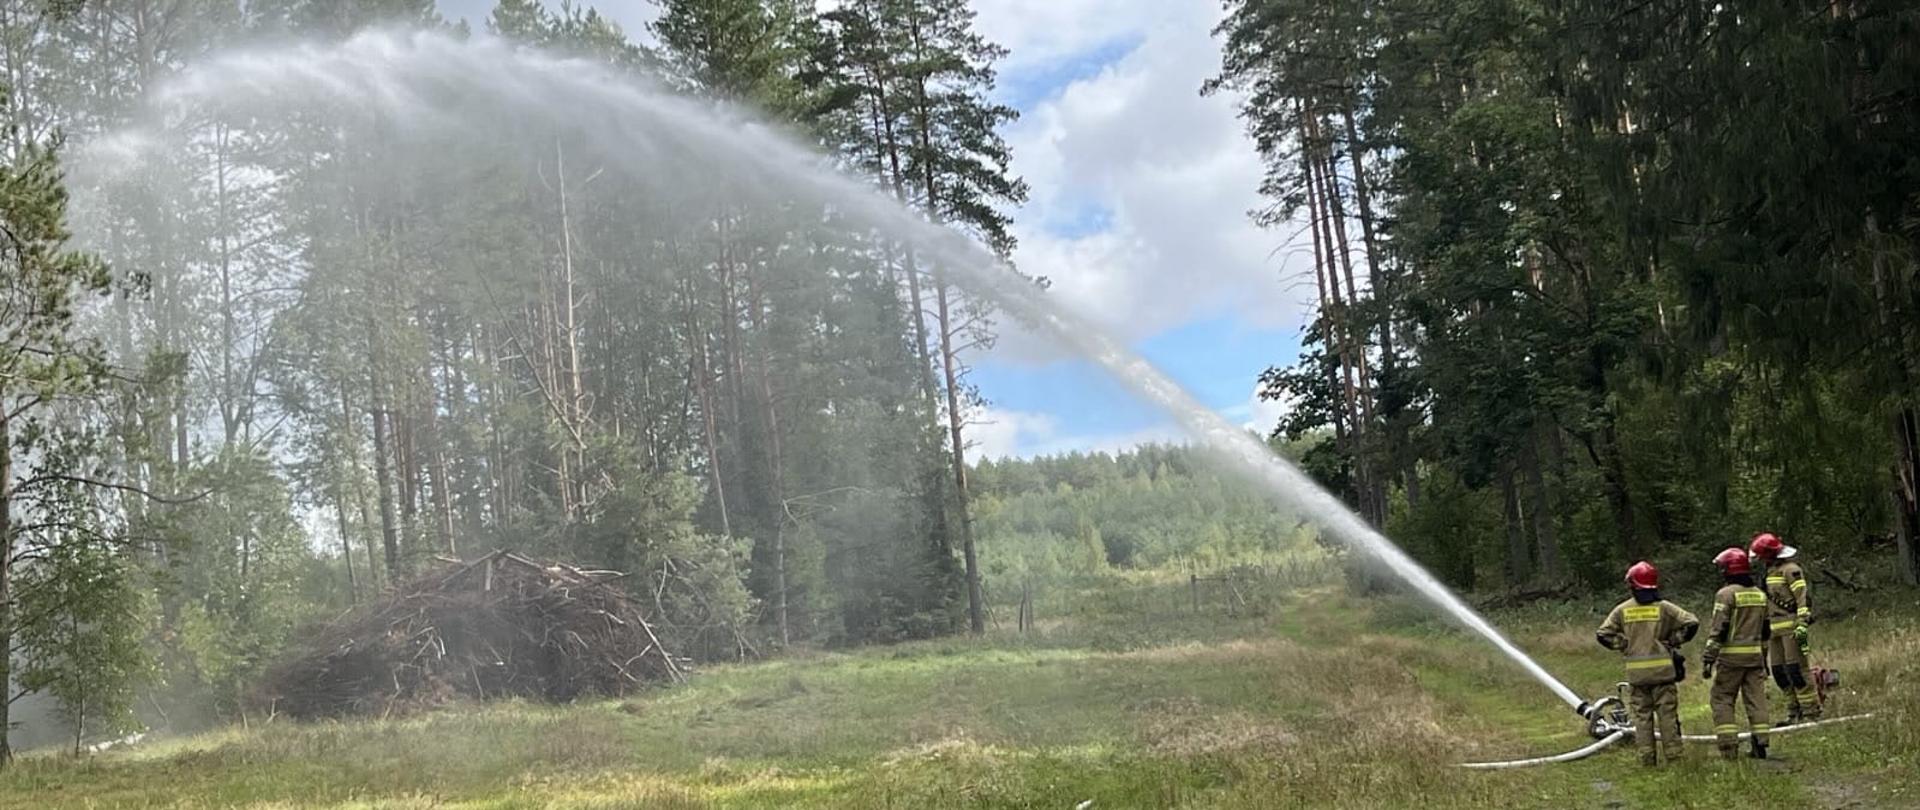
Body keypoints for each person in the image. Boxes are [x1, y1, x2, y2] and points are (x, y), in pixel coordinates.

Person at [1596, 561, 1699, 765]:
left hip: (1637, 676)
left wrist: (1623, 644)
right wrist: (1675, 640)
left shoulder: (1622, 610)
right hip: (1663, 673)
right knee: (1667, 716)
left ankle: (1647, 758)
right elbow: (1691, 623)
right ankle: (1674, 757)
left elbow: (1602, 634)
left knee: (1642, 718)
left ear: (1633, 585)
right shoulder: (1665, 608)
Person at [1703, 547, 1772, 759]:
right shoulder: (1760, 595)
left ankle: (1728, 748)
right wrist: (1764, 658)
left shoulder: (1725, 595)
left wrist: (1708, 659)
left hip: (1731, 658)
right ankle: (1760, 744)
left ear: (1729, 570)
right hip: (1755, 657)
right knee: (1756, 699)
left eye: (1722, 568)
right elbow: (1766, 630)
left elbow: (1719, 629)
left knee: (1722, 699)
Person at [1750, 532, 1820, 723]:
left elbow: (1801, 595)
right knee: (1779, 671)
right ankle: (1793, 711)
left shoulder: (1791, 570)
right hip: (1774, 630)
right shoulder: (1769, 573)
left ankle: (1810, 711)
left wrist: (1802, 621)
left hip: (1792, 626)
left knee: (1796, 669)